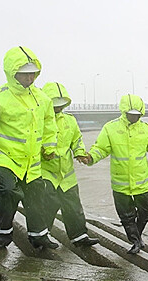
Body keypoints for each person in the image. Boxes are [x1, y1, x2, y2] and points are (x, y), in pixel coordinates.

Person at [0, 46, 59, 250]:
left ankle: (38, 235)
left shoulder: (42, 99)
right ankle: (3, 234)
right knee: (7, 192)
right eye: (25, 74)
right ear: (12, 73)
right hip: (5, 157)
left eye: (33, 73)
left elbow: (50, 124)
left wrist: (49, 147)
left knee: (36, 196)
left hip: (31, 161)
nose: (30, 78)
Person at [82, 94, 148, 254]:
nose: (134, 117)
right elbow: (101, 148)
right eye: (131, 114)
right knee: (127, 217)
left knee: (147, 211)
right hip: (120, 184)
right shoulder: (110, 128)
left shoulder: (146, 130)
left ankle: (137, 236)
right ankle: (135, 241)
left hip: (142, 182)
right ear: (124, 112)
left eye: (137, 115)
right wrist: (90, 157)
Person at [40, 82, 99, 247]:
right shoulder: (39, 120)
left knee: (73, 206)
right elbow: (31, 141)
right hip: (46, 171)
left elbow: (77, 140)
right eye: (54, 104)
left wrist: (80, 153)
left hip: (66, 174)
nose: (58, 108)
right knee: (47, 205)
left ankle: (79, 236)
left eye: (61, 104)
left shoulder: (70, 120)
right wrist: (42, 152)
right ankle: (41, 237)